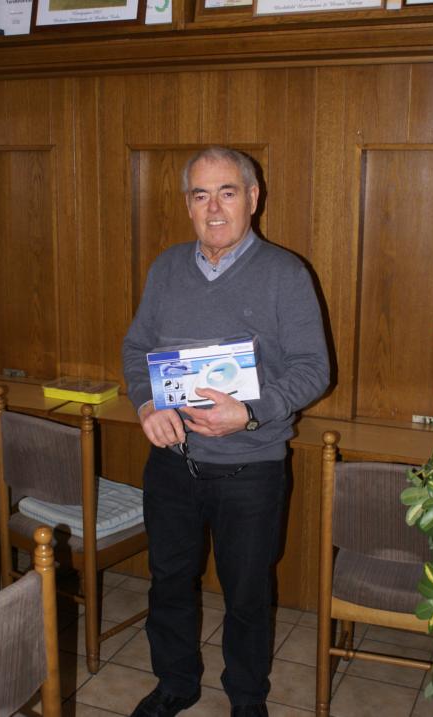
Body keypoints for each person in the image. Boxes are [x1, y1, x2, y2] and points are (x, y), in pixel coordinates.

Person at [122, 146, 330, 717]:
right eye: (201, 195)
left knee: (247, 595)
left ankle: (246, 697)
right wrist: (146, 404)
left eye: (227, 192)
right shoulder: (166, 268)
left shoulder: (286, 274)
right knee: (168, 583)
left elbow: (314, 368)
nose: (214, 208)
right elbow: (137, 348)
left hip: (252, 469)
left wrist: (250, 412)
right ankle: (175, 684)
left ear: (253, 198)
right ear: (188, 204)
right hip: (173, 463)